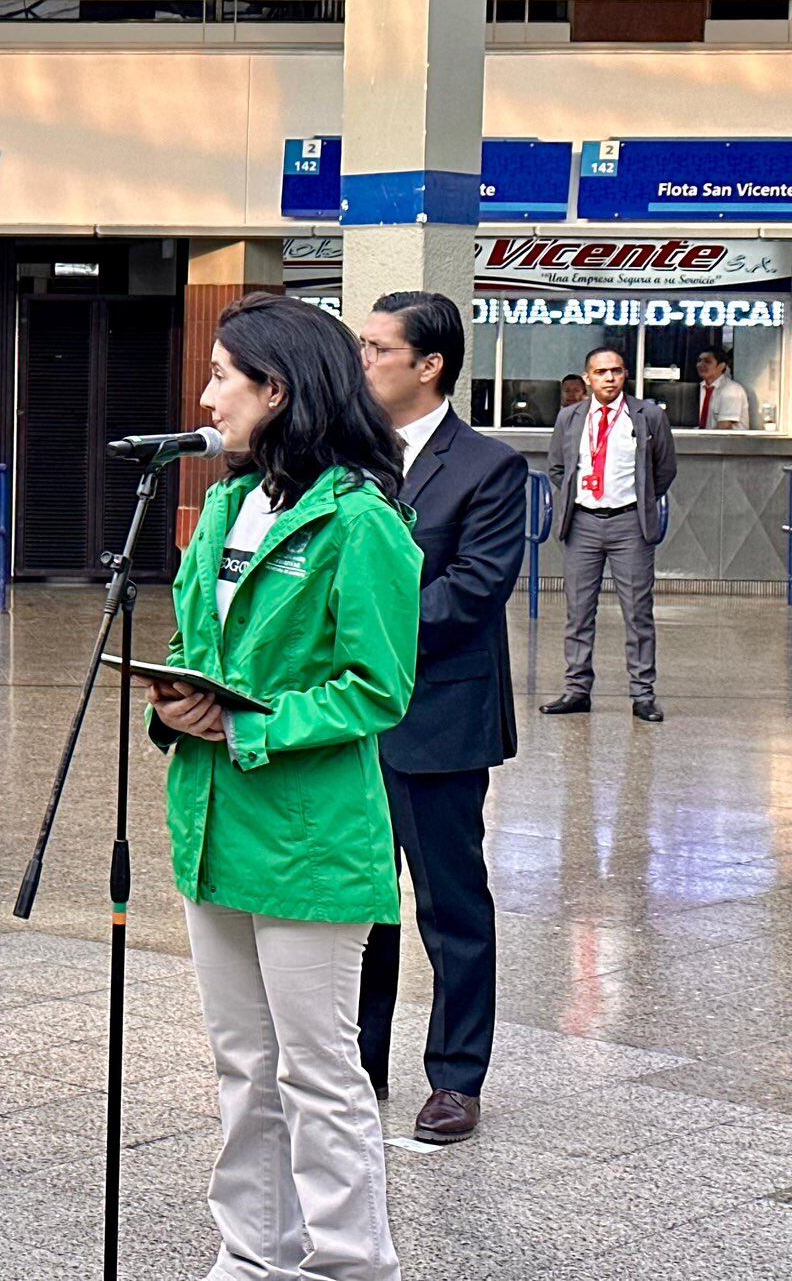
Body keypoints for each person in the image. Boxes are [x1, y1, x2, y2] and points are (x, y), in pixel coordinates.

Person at [143, 291, 418, 1281]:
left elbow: (376, 686)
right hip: (212, 823)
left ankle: (350, 1262)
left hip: (308, 832)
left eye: (222, 375)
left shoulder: (359, 520)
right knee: (242, 1066)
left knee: (316, 1069)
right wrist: (172, 702)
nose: (207, 395)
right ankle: (254, 1251)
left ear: (277, 388)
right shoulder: (221, 504)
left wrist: (251, 722)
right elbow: (196, 646)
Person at [356, 292, 526, 1145]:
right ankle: (360, 1064)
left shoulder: (488, 468)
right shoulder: (346, 457)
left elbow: (471, 592)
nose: (363, 361)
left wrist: (357, 626)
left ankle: (457, 1078)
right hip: (349, 717)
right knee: (361, 899)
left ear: (429, 366)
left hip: (439, 716)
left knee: (450, 905)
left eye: (379, 348)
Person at [542, 347, 678, 722]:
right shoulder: (569, 417)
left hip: (629, 524)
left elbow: (664, 470)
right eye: (600, 372)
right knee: (578, 611)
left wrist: (641, 502)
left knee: (638, 612)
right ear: (588, 377)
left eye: (616, 371)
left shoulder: (647, 416)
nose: (609, 378)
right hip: (582, 523)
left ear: (625, 375)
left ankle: (642, 694)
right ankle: (576, 689)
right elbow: (557, 468)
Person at [696, 346, 750, 430]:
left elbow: (723, 428)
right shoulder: (699, 388)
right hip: (703, 440)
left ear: (721, 366)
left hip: (727, 442)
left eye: (707, 361)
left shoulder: (732, 390)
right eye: (699, 361)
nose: (700, 365)